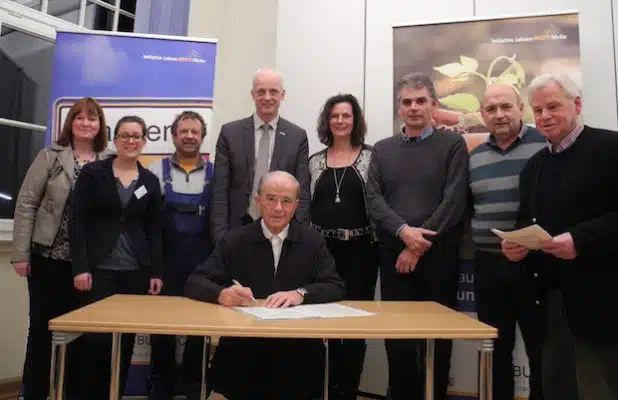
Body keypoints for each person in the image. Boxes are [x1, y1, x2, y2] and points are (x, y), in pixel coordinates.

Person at [502, 73, 618, 400]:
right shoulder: (534, 166)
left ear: (577, 104)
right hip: (549, 302)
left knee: (601, 388)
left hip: (602, 301)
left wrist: (579, 240)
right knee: (557, 388)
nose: (544, 117)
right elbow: (527, 221)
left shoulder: (610, 149)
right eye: (538, 111)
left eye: (553, 106)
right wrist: (517, 245)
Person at [185, 171, 345, 400]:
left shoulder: (312, 241)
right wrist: (221, 294)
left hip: (297, 353)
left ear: (296, 205)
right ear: (258, 201)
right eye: (271, 199)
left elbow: (335, 285)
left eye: (286, 201)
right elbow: (195, 281)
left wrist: (301, 293)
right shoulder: (235, 240)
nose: (278, 208)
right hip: (244, 351)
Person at [366, 72, 468, 400]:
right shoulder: (382, 150)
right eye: (407, 102)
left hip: (437, 258)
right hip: (393, 256)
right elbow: (373, 199)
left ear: (434, 105)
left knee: (438, 338)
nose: (413, 108)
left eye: (421, 101)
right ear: (399, 108)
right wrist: (403, 232)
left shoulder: (452, 144)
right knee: (397, 338)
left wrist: (417, 246)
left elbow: (454, 201)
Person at [11, 97, 111, 400]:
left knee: (82, 336)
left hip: (89, 266)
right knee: (43, 331)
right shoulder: (50, 156)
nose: (85, 123)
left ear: (100, 125)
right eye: (79, 117)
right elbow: (27, 203)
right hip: (48, 260)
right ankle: (35, 393)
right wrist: (20, 253)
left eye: (92, 118)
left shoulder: (109, 161)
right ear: (71, 123)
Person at [70, 115, 164, 400]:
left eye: (137, 136)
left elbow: (155, 230)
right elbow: (77, 222)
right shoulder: (93, 174)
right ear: (115, 139)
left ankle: (116, 395)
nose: (131, 141)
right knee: (96, 342)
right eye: (125, 136)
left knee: (124, 344)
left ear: (144, 142)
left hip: (135, 272)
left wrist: (156, 272)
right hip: (98, 271)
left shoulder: (149, 180)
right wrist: (80, 267)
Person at [469, 84, 545, 400]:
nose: (499, 115)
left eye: (506, 106)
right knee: (495, 350)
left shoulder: (544, 145)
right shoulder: (474, 156)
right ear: (483, 115)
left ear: (521, 108)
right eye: (491, 109)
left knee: (541, 349)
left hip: (536, 266)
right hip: (488, 267)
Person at [308, 93, 377, 400]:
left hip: (362, 252)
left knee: (354, 324)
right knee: (326, 323)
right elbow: (305, 208)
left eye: (346, 116)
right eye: (335, 116)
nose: (340, 121)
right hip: (324, 255)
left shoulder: (371, 158)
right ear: (327, 121)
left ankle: (348, 391)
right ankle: (328, 388)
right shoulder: (314, 162)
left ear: (355, 121)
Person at [147, 111, 213, 400]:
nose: (189, 136)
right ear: (173, 135)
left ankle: (192, 386)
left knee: (200, 326)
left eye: (194, 132)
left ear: (202, 136)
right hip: (166, 257)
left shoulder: (216, 173)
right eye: (183, 131)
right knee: (161, 325)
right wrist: (155, 267)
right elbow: (148, 223)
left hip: (203, 259)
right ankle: (161, 386)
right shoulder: (152, 170)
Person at [210, 68, 311, 244]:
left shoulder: (297, 137)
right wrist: (220, 237)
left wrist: (297, 236)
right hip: (237, 231)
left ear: (282, 94)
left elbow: (301, 191)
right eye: (261, 91)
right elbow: (220, 190)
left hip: (281, 232)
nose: (267, 97)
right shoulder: (230, 133)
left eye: (273, 91)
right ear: (252, 94)